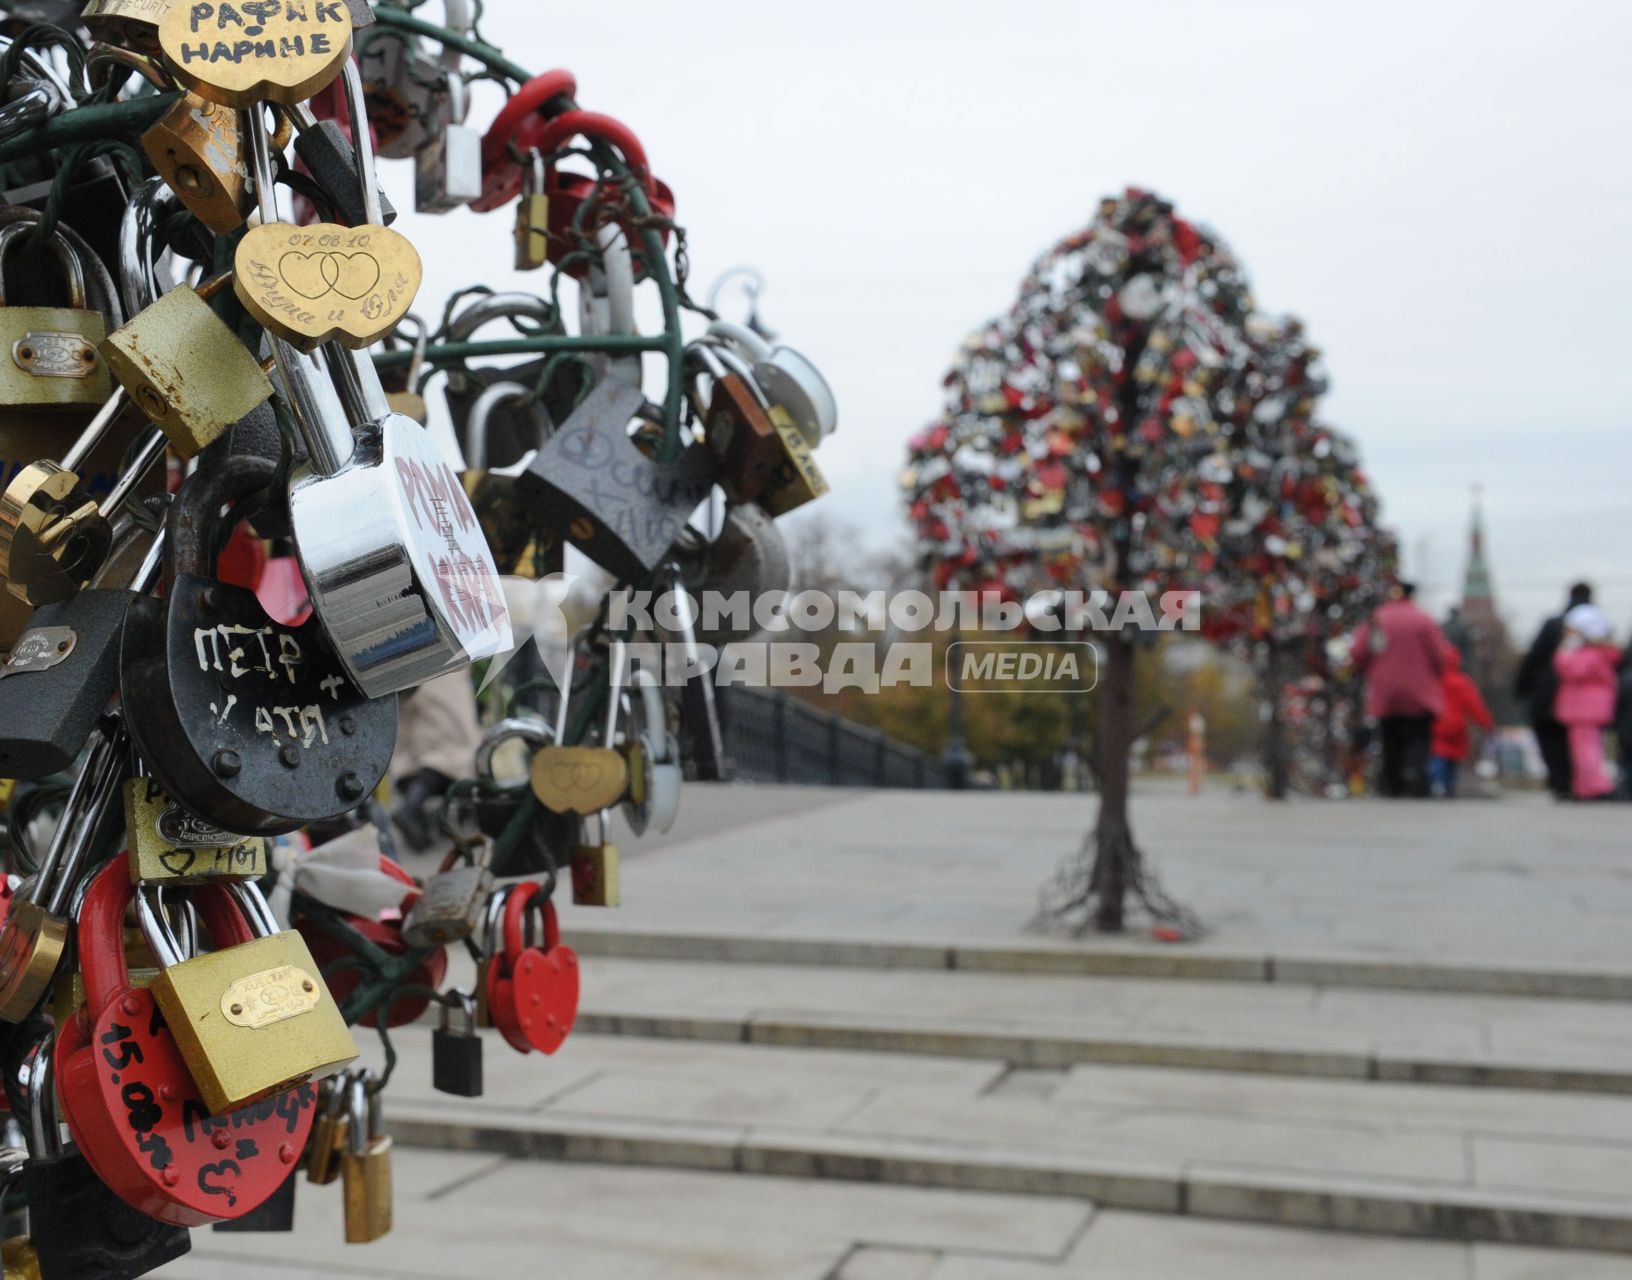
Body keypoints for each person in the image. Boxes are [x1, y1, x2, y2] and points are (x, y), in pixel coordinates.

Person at [1350, 583, 1450, 798]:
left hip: (1385, 691)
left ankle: (1393, 783)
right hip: (1419, 691)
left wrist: (1369, 669)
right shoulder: (1423, 619)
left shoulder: (1377, 618)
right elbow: (1440, 656)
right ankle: (1414, 773)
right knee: (1419, 736)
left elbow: (1358, 652)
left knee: (1390, 737)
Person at [1516, 582, 1593, 798]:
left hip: (1548, 695)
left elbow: (1533, 658)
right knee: (1582, 741)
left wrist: (1522, 688)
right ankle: (1580, 784)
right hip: (1589, 700)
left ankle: (1561, 783)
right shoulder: (1598, 628)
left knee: (1552, 740)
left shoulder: (1553, 624)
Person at [1553, 603, 1620, 801]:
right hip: (1588, 708)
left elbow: (1569, 669)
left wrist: (1565, 650)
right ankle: (1584, 788)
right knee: (1584, 749)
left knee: (1586, 750)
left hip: (1585, 708)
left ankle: (1597, 787)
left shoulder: (1589, 654)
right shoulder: (1598, 653)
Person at [1429, 645, 1494, 798]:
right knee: (1452, 758)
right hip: (1457, 726)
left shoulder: (1432, 681)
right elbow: (1474, 705)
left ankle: (1436, 783)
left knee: (1438, 755)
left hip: (1435, 725)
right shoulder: (1462, 681)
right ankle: (1448, 788)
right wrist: (1486, 723)